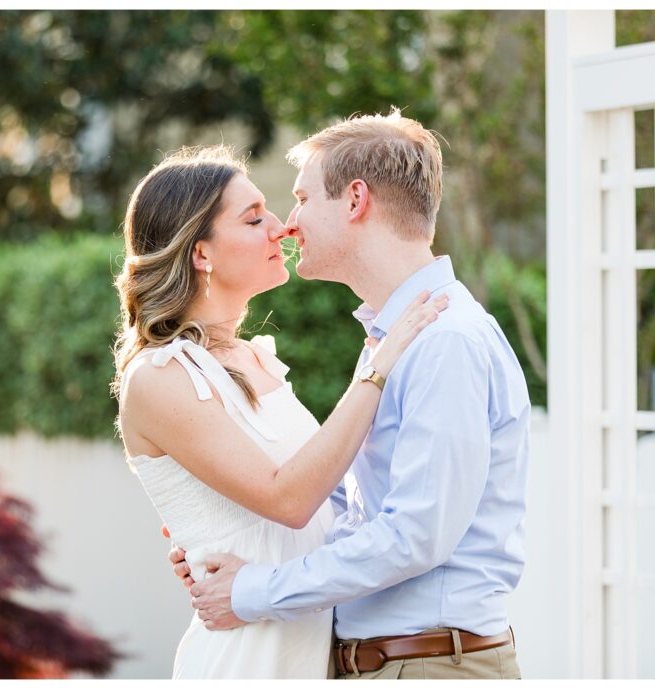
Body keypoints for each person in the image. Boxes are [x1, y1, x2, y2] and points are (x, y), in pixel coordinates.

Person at [174, 109, 531, 680]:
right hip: (387, 663)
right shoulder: (393, 338)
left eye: (301, 198)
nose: (288, 223)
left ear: (356, 199)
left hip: (428, 667)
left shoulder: (445, 341)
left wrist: (255, 590)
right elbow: (349, 511)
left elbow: (414, 536)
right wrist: (221, 542)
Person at [112, 144, 448, 679]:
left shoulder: (258, 359)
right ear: (201, 253)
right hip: (247, 660)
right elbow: (289, 498)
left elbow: (323, 509)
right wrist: (379, 366)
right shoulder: (159, 377)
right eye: (253, 218)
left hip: (314, 652)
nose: (281, 228)